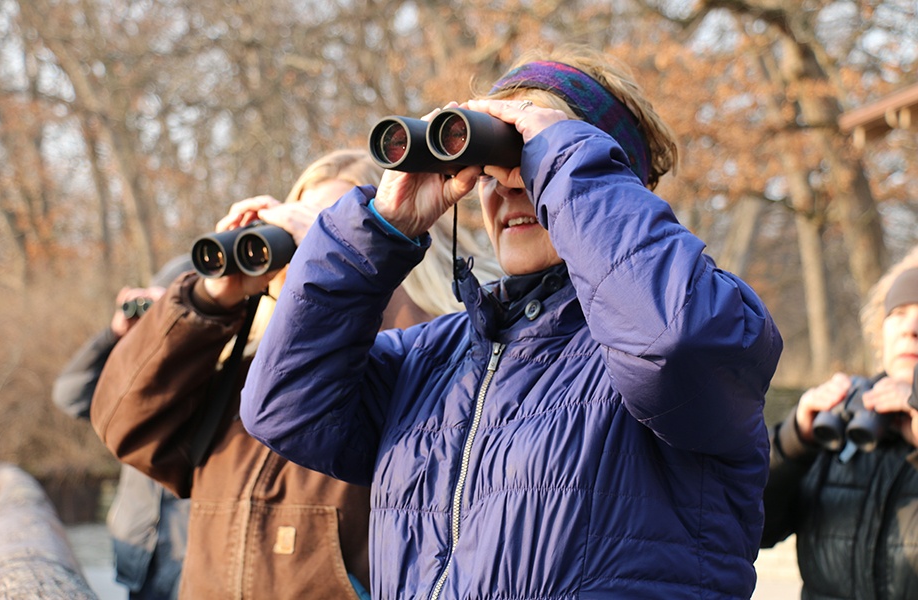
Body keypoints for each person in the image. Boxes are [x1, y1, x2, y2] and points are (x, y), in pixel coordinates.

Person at [240, 44, 783, 599]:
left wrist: (558, 153)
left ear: (608, 180)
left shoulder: (701, 325)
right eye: (492, 167)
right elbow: (285, 405)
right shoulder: (431, 359)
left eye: (532, 162)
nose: (509, 185)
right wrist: (380, 228)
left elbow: (675, 341)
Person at [90, 148, 502, 599]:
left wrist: (348, 264)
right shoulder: (242, 375)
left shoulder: (433, 354)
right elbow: (124, 422)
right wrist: (209, 300)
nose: (312, 249)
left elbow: (441, 401)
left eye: (339, 224)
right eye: (303, 230)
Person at [762, 248, 918, 599]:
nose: (911, 328)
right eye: (899, 313)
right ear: (881, 329)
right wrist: (794, 441)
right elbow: (748, 529)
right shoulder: (845, 419)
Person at [52, 254, 192, 600]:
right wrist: (115, 335)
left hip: (194, 568)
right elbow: (72, 394)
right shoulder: (138, 381)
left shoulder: (223, 372)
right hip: (141, 560)